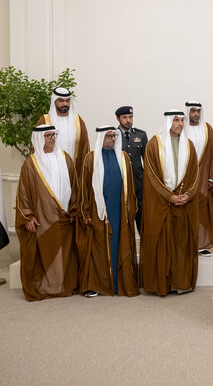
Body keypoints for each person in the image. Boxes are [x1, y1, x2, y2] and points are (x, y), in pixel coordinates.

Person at [15, 125, 78, 301]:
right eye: (48, 135)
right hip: (43, 217)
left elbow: (75, 187)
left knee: (65, 253)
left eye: (53, 135)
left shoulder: (66, 158)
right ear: (38, 138)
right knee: (45, 252)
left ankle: (63, 285)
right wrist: (27, 216)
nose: (52, 138)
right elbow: (23, 193)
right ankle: (46, 287)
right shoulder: (30, 164)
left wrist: (74, 208)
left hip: (65, 217)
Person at [141, 110, 200, 296]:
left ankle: (180, 283)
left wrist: (188, 195)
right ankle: (162, 284)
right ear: (168, 122)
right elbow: (150, 176)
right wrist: (169, 196)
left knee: (181, 244)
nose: (180, 124)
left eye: (182, 120)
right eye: (176, 120)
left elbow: (195, 173)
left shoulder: (189, 145)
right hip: (163, 204)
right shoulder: (154, 144)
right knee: (162, 244)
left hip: (183, 203)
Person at [77, 126, 139, 298]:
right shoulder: (91, 158)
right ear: (101, 138)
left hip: (119, 212)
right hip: (99, 211)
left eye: (114, 135)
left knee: (119, 245)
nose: (112, 138)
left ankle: (120, 284)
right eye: (109, 136)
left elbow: (130, 186)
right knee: (99, 248)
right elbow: (83, 188)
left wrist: (130, 210)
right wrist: (85, 212)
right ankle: (99, 285)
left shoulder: (123, 157)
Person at [183, 101, 213, 256]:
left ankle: (202, 244)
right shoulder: (181, 128)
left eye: (198, 111)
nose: (196, 114)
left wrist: (212, 177)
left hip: (204, 176)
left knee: (203, 209)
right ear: (187, 112)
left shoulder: (207, 128)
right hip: (185, 176)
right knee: (186, 209)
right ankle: (187, 244)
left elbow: (212, 153)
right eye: (192, 111)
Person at [37, 87, 89, 176]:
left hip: (73, 171)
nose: (65, 104)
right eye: (61, 101)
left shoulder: (78, 121)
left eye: (67, 101)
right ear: (54, 102)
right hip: (50, 171)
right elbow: (37, 145)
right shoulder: (45, 121)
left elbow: (85, 147)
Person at [116, 105, 148, 232]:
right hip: (121, 183)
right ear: (118, 119)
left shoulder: (141, 135)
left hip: (138, 184)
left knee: (141, 216)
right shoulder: (113, 135)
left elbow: (147, 160)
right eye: (124, 117)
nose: (128, 120)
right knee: (124, 217)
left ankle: (145, 250)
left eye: (130, 117)